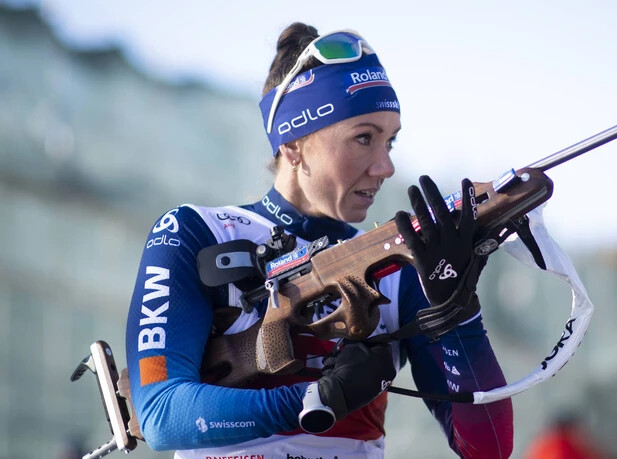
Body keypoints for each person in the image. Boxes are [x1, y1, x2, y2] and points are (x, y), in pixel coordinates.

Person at [125, 22, 513, 458]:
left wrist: (457, 312)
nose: (385, 166)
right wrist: (318, 401)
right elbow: (160, 413)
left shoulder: (398, 266)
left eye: (391, 140)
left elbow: (489, 447)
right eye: (364, 138)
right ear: (293, 144)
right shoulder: (194, 232)